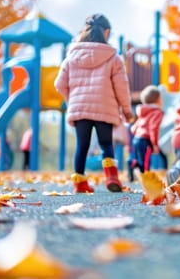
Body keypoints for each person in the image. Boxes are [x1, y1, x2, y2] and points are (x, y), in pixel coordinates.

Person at [54, 13, 134, 193]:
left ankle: (80, 183)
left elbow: (59, 84)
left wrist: (71, 100)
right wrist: (127, 110)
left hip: (79, 108)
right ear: (106, 32)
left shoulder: (71, 56)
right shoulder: (114, 58)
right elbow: (121, 87)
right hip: (105, 108)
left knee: (82, 146)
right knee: (106, 144)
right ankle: (112, 177)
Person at [129, 85, 165, 181]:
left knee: (139, 159)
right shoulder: (157, 112)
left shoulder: (143, 111)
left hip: (136, 138)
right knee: (145, 162)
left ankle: (132, 164)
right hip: (145, 140)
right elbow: (154, 129)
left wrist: (136, 132)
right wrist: (155, 144)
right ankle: (146, 180)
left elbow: (135, 126)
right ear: (158, 99)